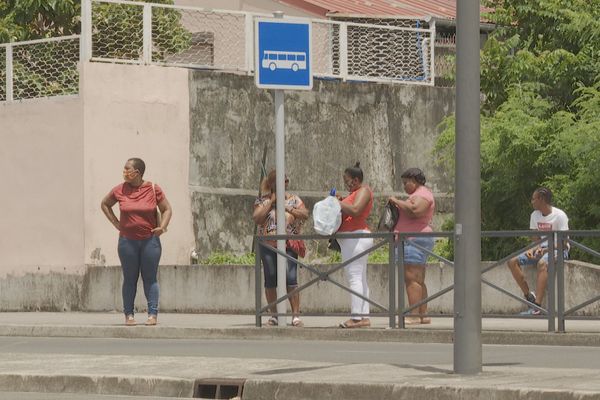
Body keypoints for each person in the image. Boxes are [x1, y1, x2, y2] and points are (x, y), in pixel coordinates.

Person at [100, 158, 172, 326]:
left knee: (150, 278)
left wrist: (162, 227)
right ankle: (129, 315)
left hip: (150, 242)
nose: (124, 172)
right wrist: (116, 223)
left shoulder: (153, 189)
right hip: (127, 242)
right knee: (130, 278)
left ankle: (152, 314)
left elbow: (167, 209)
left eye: (127, 169)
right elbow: (105, 204)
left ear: (137, 173)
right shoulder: (120, 190)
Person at [253, 170, 308, 327]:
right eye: (280, 181)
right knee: (270, 279)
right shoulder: (262, 200)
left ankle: (295, 315)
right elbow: (257, 218)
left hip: (288, 244)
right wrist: (271, 202)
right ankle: (274, 315)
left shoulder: (293, 199)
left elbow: (304, 214)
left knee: (291, 278)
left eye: (285, 181)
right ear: (271, 184)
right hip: (268, 245)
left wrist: (287, 208)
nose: (284, 184)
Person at [506, 187, 569, 315]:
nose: (532, 201)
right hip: (542, 249)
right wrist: (534, 249)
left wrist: (546, 250)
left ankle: (537, 307)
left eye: (534, 199)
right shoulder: (534, 215)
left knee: (542, 263)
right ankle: (529, 296)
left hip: (559, 250)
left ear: (542, 199)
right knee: (512, 261)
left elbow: (564, 244)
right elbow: (535, 240)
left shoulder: (560, 215)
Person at [389, 168, 435, 325]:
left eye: (406, 182)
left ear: (414, 181)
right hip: (412, 239)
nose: (404, 186)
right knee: (418, 279)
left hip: (413, 239)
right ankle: (422, 314)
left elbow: (416, 211)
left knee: (412, 279)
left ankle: (414, 315)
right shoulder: (419, 194)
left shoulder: (423, 194)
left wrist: (396, 201)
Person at [337, 162, 374, 328]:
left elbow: (356, 209)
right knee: (360, 277)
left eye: (348, 180)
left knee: (354, 277)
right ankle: (363, 316)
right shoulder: (354, 192)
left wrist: (337, 202)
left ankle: (356, 318)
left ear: (356, 179)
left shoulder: (364, 190)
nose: (346, 184)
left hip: (356, 237)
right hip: (353, 238)